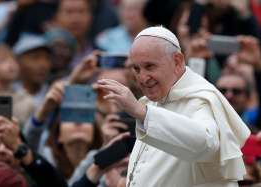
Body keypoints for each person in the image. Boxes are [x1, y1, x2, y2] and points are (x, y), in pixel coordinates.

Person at [95, 26, 251, 187]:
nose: (142, 78)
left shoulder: (201, 99)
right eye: (136, 68)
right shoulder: (152, 101)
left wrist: (143, 113)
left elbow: (207, 143)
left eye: (149, 66)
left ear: (177, 61)